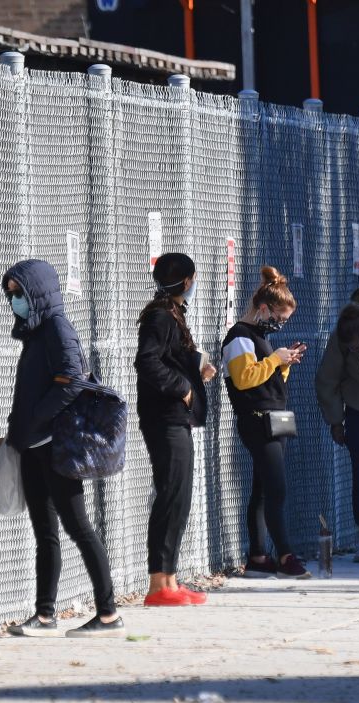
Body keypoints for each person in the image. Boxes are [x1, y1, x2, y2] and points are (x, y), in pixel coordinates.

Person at [0, 260, 123, 636]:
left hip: (55, 446)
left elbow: (72, 380)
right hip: (33, 445)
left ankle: (108, 613)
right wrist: (17, 430)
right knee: (45, 531)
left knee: (78, 526)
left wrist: (37, 418)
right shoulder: (36, 332)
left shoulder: (57, 327)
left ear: (37, 291)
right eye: (9, 294)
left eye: (18, 292)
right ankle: (44, 614)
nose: (14, 300)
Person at [135, 252, 218, 606]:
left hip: (175, 417)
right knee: (171, 494)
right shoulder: (159, 315)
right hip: (164, 417)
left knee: (180, 496)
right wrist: (183, 389)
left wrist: (195, 372)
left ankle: (170, 578)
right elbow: (147, 361)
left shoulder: (171, 313)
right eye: (193, 278)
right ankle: (157, 585)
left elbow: (168, 358)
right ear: (186, 281)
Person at [223, 266, 310, 579]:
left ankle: (259, 555)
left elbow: (268, 381)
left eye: (285, 320)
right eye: (279, 317)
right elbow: (244, 379)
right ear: (263, 308)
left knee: (262, 490)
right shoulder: (240, 337)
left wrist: (284, 365)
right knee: (276, 489)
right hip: (256, 420)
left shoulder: (260, 337)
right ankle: (285, 554)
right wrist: (275, 359)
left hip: (273, 418)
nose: (280, 324)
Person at [316, 291, 359, 563]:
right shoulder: (340, 341)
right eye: (352, 350)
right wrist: (336, 420)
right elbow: (327, 380)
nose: (357, 352)